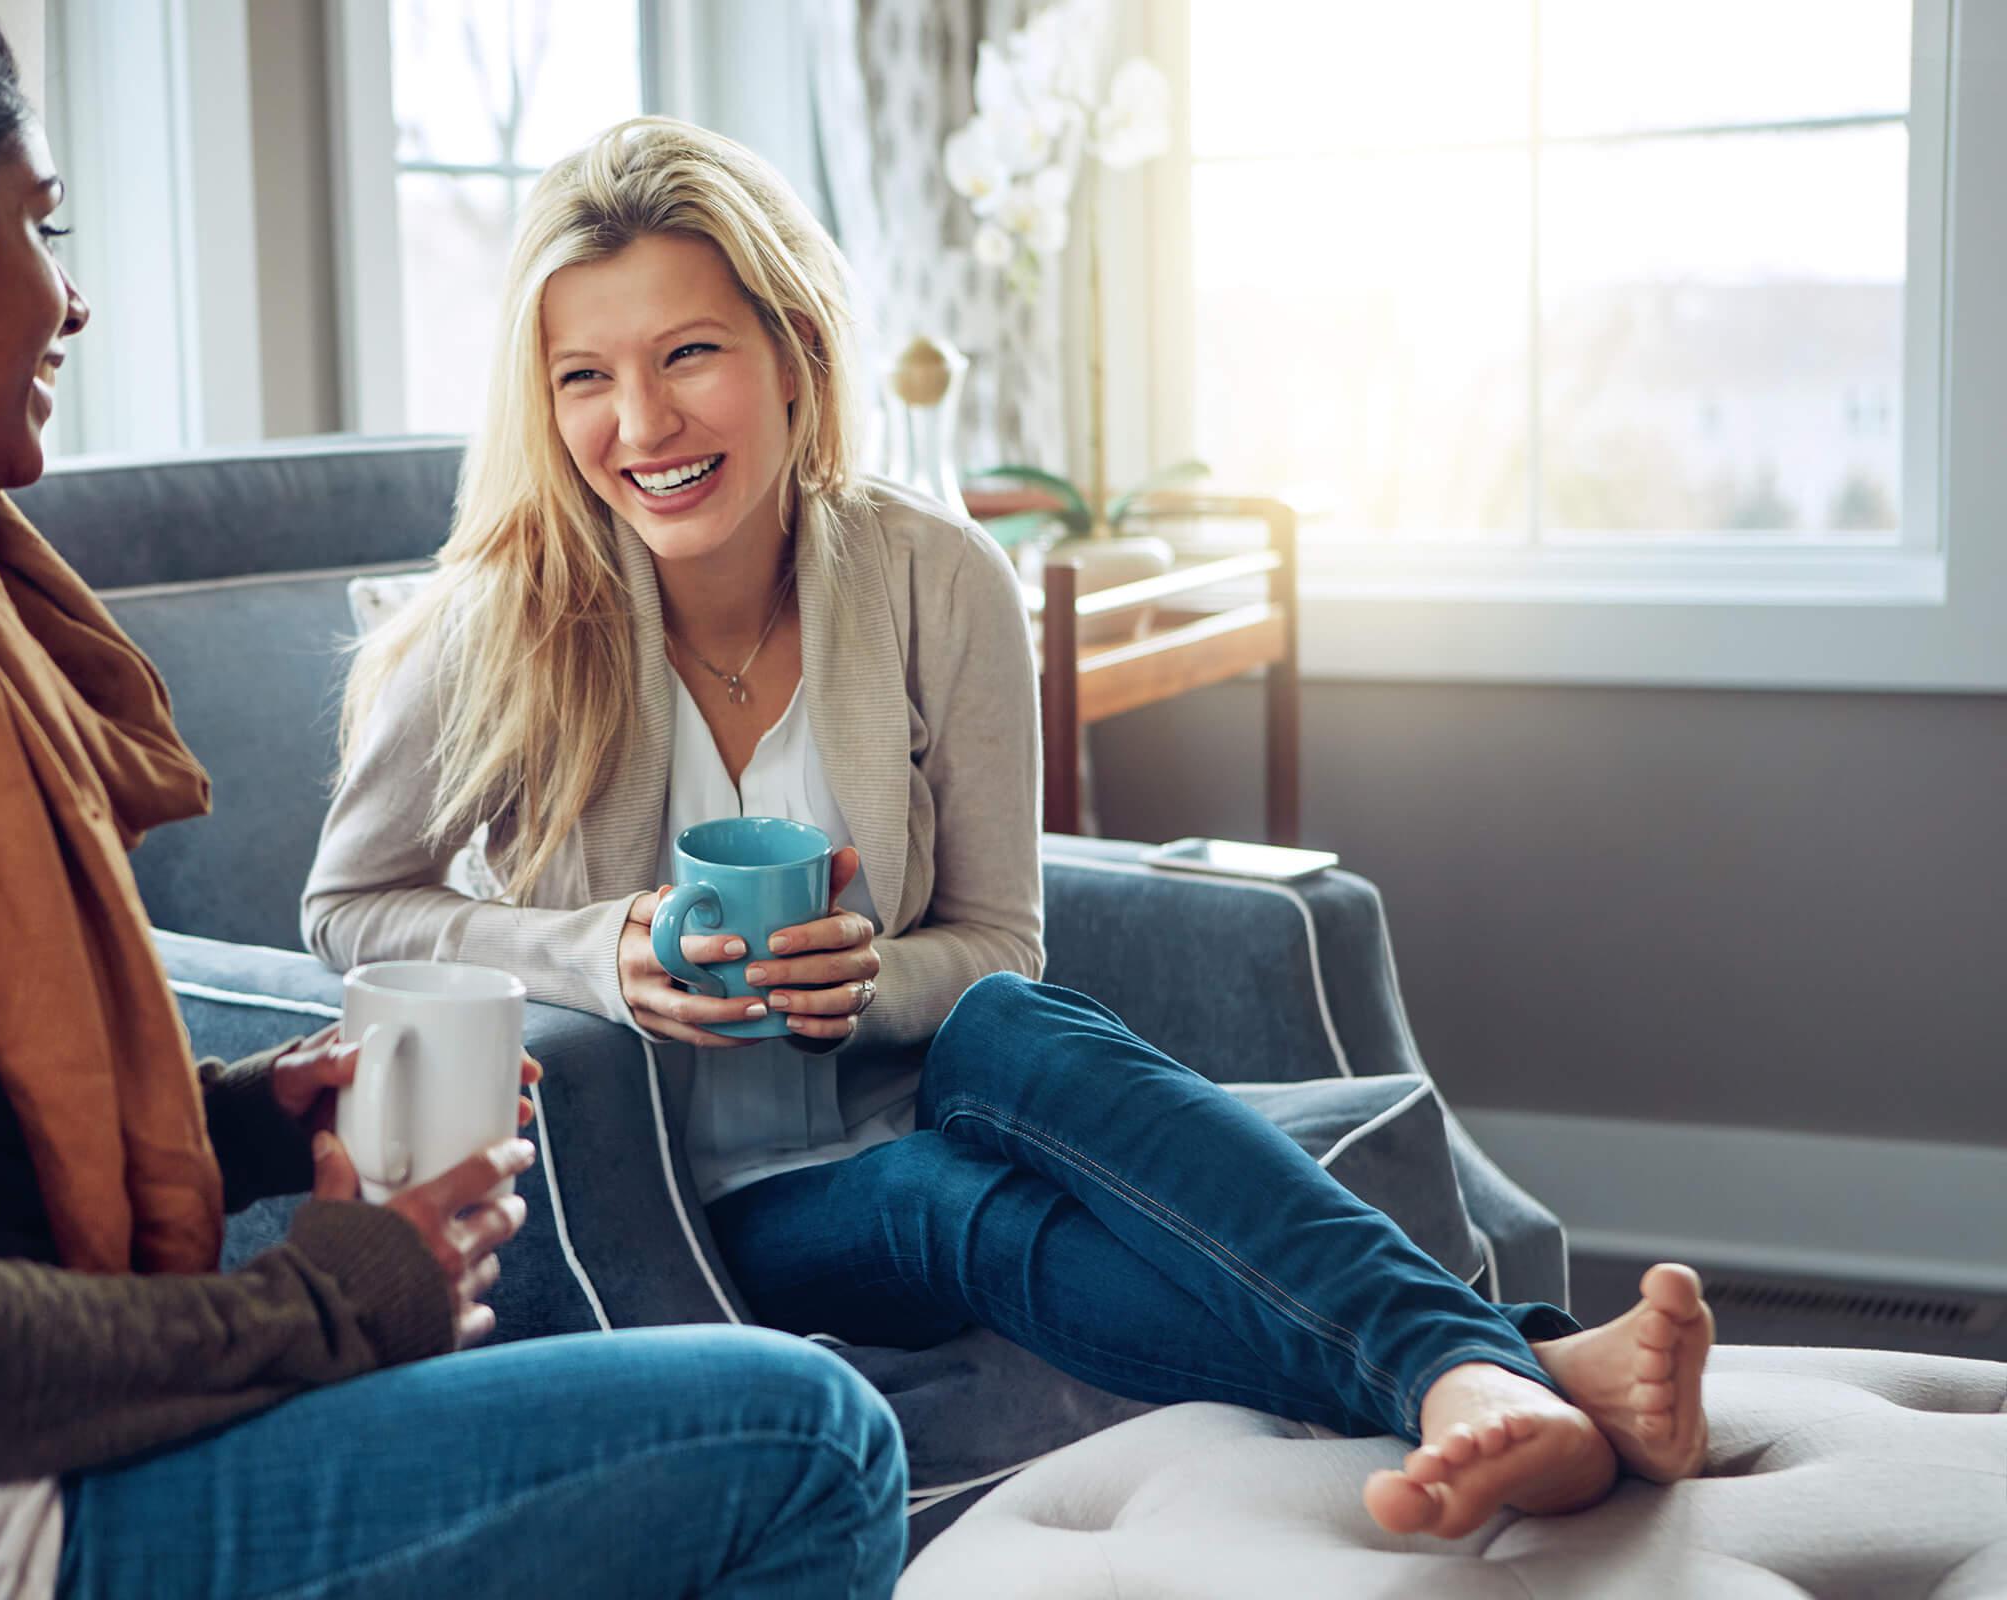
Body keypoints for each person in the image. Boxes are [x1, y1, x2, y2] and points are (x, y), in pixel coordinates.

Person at [0, 8, 906, 1597]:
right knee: (809, 1444)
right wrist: (334, 1301)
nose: (70, 293)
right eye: (40, 222)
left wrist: (241, 1122)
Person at [307, 114, 1718, 1541]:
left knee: (1011, 1031)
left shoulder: (937, 576)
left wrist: (869, 979)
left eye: (688, 355)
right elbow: (350, 906)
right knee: (943, 1202)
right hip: (696, 1195)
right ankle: (1503, 1355)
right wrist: (593, 951)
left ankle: (1485, 1379)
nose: (644, 425)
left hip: (913, 1088)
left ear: (792, 353)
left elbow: (999, 942)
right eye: (584, 379)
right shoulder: (506, 615)